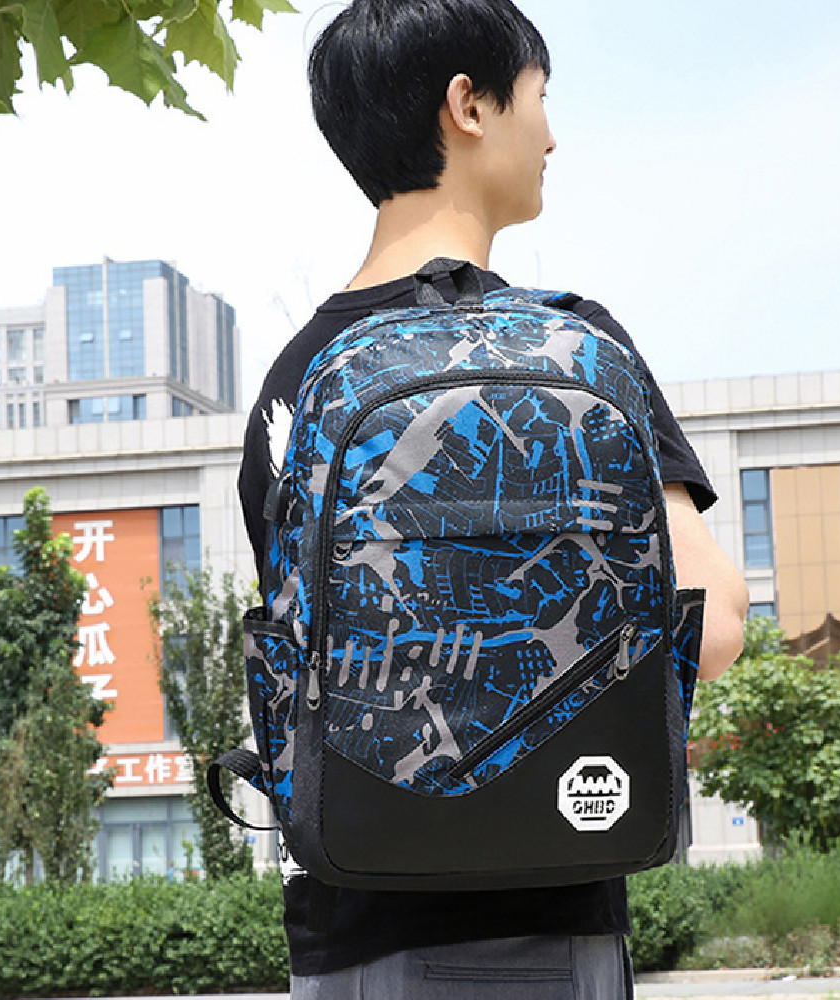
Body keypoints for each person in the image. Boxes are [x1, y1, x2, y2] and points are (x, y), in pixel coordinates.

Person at [238, 1, 749, 996]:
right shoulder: (572, 349)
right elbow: (715, 623)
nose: (551, 136)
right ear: (468, 105)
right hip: (555, 903)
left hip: (352, 918)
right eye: (539, 97)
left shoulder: (295, 379)